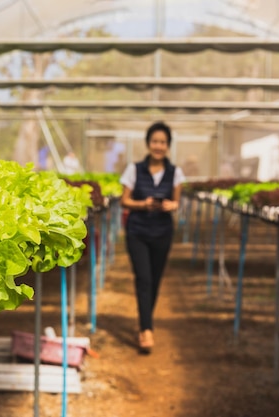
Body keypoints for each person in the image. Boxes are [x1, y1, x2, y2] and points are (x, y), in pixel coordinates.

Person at [120, 121, 185, 354]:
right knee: (144, 278)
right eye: (155, 141)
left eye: (163, 142)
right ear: (148, 143)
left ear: (168, 146)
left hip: (162, 232)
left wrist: (170, 205)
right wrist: (143, 204)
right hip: (137, 230)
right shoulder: (134, 169)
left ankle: (145, 320)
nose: (159, 146)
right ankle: (146, 328)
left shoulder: (175, 172)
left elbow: (177, 202)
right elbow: (124, 200)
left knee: (155, 280)